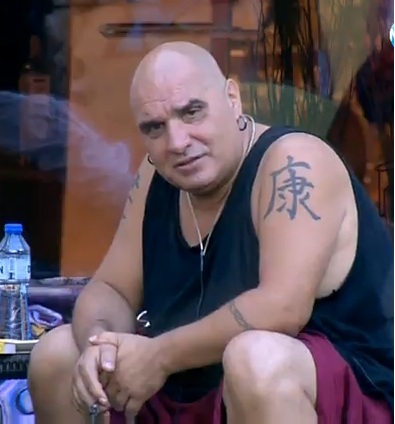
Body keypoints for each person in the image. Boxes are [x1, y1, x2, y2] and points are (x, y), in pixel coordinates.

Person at [27, 42, 394, 424]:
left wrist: (157, 356)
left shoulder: (294, 162)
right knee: (59, 355)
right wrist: (101, 346)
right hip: (191, 383)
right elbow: (111, 289)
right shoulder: (156, 175)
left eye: (192, 112)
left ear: (232, 99)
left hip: (338, 395)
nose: (178, 142)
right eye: (155, 128)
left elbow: (282, 309)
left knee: (257, 360)